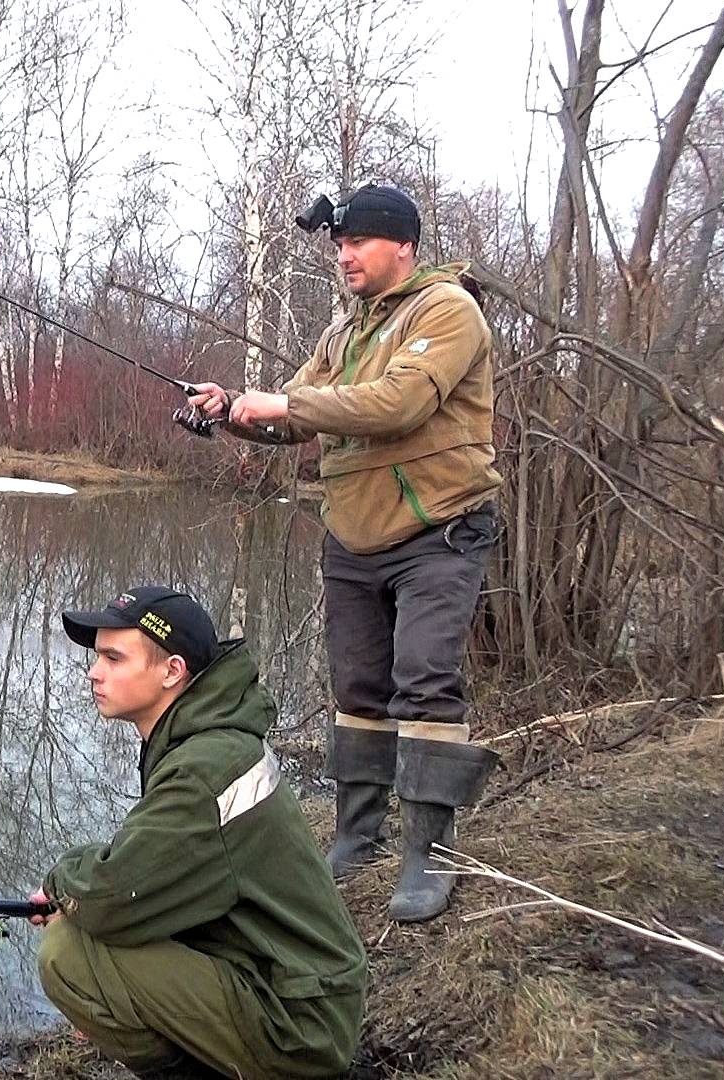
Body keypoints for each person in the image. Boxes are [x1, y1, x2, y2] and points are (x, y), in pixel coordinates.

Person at [186, 183, 501, 923]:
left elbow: (400, 404)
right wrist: (231, 410)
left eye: (357, 242)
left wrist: (286, 404)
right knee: (358, 687)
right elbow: (291, 421)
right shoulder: (342, 335)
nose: (345, 256)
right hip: (355, 534)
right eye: (338, 245)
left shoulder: (448, 311)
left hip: (439, 529)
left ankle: (431, 854)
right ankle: (358, 837)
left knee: (423, 681)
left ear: (404, 246)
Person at [31, 586, 365, 1080]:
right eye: (96, 656)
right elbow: (153, 867)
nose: (94, 672)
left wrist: (61, 884)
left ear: (172, 671)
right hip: (295, 988)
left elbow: (111, 898)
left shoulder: (203, 768)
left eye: (113, 658)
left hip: (299, 1026)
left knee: (67, 955)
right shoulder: (206, 738)